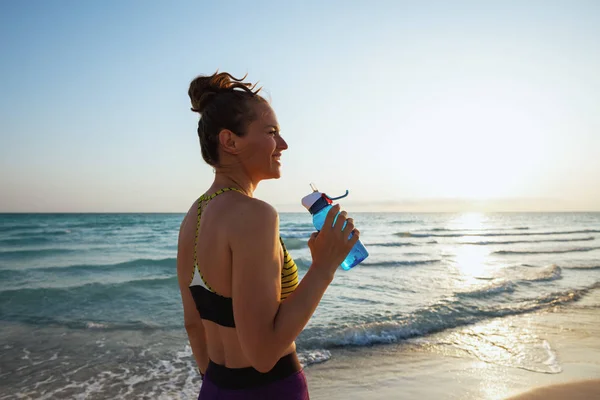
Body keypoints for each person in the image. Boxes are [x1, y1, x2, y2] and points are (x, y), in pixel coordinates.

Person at [176, 71, 360, 399]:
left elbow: (194, 324)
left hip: (214, 387)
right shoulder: (255, 214)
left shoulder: (193, 217)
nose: (284, 144)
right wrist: (323, 268)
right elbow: (263, 356)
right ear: (230, 141)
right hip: (270, 389)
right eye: (272, 132)